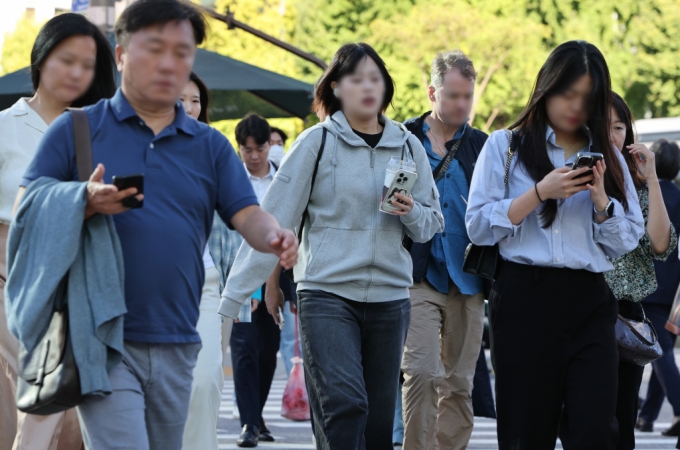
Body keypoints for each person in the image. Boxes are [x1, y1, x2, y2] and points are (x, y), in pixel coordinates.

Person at [17, 2, 298, 449]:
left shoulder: (209, 145)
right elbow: (26, 206)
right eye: (155, 49)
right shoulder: (76, 130)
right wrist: (81, 200)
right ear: (122, 53)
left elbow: (246, 213)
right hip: (102, 336)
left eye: (182, 52)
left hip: (178, 338)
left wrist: (274, 236)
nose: (170, 64)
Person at [219, 43, 444, 450]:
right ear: (337, 88)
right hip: (326, 294)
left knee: (377, 426)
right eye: (356, 79)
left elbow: (431, 225)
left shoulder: (409, 146)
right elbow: (272, 221)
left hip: (390, 299)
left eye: (375, 78)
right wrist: (233, 297)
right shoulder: (315, 143)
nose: (367, 87)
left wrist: (410, 211)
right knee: (344, 403)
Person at [465, 40, 644, 449]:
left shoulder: (608, 158)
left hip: (590, 301)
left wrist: (601, 202)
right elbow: (477, 226)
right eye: (567, 92)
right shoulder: (504, 146)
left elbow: (627, 239)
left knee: (596, 433)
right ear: (547, 87)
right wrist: (540, 193)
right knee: (526, 434)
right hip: (525, 298)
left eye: (587, 96)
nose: (575, 106)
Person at [0, 13, 116, 450]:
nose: (74, 72)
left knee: (54, 409)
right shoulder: (4, 126)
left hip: (84, 284)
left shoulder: (99, 131)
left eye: (86, 64)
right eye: (64, 58)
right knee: (44, 394)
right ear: (41, 58)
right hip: (11, 280)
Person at [401, 49, 488, 449]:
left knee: (458, 383)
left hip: (469, 278)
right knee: (420, 372)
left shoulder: (484, 146)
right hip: (417, 274)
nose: (462, 104)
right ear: (432, 93)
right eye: (453, 95)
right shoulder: (403, 138)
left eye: (467, 96)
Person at [601, 93, 677, 450]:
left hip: (625, 318)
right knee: (581, 418)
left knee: (622, 418)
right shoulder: (571, 176)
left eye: (619, 127)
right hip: (578, 308)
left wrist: (652, 179)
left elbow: (661, 244)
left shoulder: (639, 186)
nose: (612, 134)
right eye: (604, 126)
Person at [229, 113, 283, 447]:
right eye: (246, 149)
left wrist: (276, 286)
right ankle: (249, 422)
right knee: (244, 350)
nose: (253, 155)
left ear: (269, 146)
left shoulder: (282, 180)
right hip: (240, 277)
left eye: (259, 148)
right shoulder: (232, 180)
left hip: (276, 277)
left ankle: (257, 415)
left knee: (268, 350)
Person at [177, 71, 225, 450]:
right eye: (181, 99)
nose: (190, 108)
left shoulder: (213, 149)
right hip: (145, 288)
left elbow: (243, 217)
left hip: (204, 282)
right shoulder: (133, 145)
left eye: (195, 100)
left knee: (206, 381)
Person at [638, 139, 680, 435]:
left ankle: (679, 407)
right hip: (673, 286)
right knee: (659, 344)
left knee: (660, 349)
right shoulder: (679, 195)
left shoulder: (646, 193)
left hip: (646, 281)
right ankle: (647, 416)